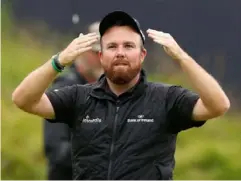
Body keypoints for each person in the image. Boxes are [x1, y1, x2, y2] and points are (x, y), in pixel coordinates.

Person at [12, 11, 230, 180]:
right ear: (101, 55)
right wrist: (59, 61)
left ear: (142, 54)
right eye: (112, 46)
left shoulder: (166, 98)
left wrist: (182, 58)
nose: (120, 52)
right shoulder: (79, 97)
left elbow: (218, 105)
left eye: (128, 45)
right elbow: (23, 99)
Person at [43, 21, 103, 180]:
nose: (101, 59)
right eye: (96, 53)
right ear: (82, 51)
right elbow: (57, 151)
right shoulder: (64, 87)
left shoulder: (109, 89)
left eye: (104, 53)